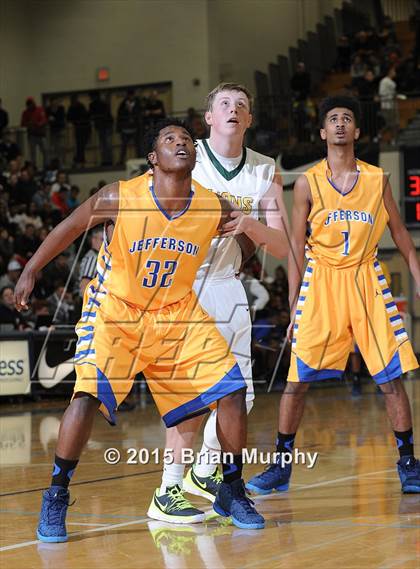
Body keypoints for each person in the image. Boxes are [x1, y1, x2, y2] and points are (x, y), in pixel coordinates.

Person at [14, 119, 265, 543]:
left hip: (178, 313)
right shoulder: (120, 195)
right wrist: (31, 270)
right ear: (153, 158)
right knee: (87, 394)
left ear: (195, 153)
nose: (181, 143)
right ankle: (56, 494)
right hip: (117, 310)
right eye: (170, 139)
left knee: (233, 388)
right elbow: (70, 228)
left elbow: (249, 237)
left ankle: (232, 488)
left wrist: (241, 250)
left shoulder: (212, 205)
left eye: (186, 139)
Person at [246, 95, 420, 496]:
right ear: (323, 132)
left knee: (392, 377)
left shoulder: (378, 179)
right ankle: (281, 465)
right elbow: (294, 248)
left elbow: (401, 237)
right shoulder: (307, 181)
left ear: (356, 131)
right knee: (296, 380)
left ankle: (408, 462)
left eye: (347, 118)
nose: (340, 123)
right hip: (321, 282)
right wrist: (293, 308)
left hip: (366, 279)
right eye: (333, 119)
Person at [153, 83, 289, 522]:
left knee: (242, 399)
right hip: (180, 286)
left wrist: (250, 224)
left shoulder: (266, 170)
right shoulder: (187, 158)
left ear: (249, 120)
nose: (234, 110)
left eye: (242, 106)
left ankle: (205, 471)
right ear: (208, 117)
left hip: (226, 285)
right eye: (225, 104)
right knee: (190, 397)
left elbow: (285, 246)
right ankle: (169, 487)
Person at [21, 97, 48, 168]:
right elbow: (23, 123)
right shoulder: (25, 112)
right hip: (32, 135)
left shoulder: (40, 109)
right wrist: (29, 124)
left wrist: (38, 124)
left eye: (31, 103)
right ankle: (34, 167)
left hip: (41, 134)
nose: (30, 105)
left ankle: (46, 165)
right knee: (33, 153)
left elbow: (44, 120)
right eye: (28, 104)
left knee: (45, 150)